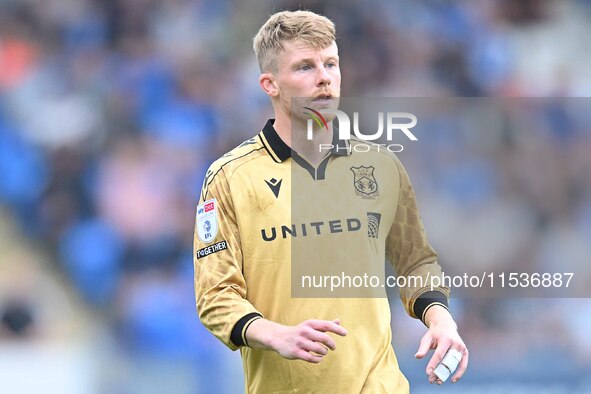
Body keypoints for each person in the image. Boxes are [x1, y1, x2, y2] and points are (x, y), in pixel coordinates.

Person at [194, 10, 468, 393]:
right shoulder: (229, 179)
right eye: (305, 67)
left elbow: (416, 261)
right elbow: (215, 296)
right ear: (270, 84)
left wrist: (440, 319)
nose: (324, 77)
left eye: (331, 64)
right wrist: (274, 334)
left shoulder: (381, 166)